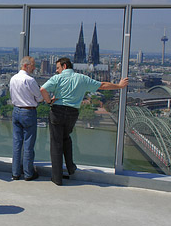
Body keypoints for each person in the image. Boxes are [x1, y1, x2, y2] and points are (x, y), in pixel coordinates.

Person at [40, 57, 129, 186]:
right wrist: (119, 86)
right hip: (72, 113)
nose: (57, 71)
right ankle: (71, 167)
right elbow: (102, 85)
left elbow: (43, 90)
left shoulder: (57, 78)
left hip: (57, 112)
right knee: (66, 138)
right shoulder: (82, 78)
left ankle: (57, 178)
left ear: (64, 66)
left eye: (58, 68)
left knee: (56, 144)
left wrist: (49, 101)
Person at [9, 56, 42, 181]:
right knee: (28, 144)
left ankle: (15, 173)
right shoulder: (30, 80)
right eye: (32, 65)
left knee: (17, 143)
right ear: (25, 65)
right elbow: (39, 98)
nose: (34, 68)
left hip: (16, 110)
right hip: (28, 112)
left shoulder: (13, 79)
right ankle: (28, 173)